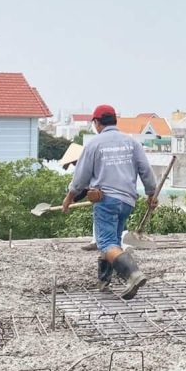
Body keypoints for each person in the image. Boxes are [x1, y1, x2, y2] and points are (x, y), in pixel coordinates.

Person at [64, 104, 157, 298]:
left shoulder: (94, 144)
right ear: (115, 120)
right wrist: (151, 194)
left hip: (106, 200)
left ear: (97, 123)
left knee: (105, 242)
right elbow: (146, 170)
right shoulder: (131, 143)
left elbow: (81, 177)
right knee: (112, 241)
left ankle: (133, 274)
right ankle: (104, 282)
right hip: (127, 201)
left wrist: (69, 197)